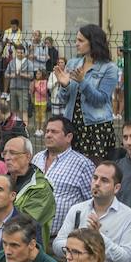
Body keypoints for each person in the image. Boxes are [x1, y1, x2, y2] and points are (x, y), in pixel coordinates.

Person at [58, 161, 131, 262]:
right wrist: (79, 246)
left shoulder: (130, 217)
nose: (97, 183)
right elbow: (57, 245)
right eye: (95, 178)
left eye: (104, 180)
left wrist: (99, 238)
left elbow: (128, 260)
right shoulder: (77, 210)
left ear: (116, 188)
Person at [49, 24, 120, 163]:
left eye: (81, 41)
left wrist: (83, 82)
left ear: (93, 42)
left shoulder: (109, 68)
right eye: (76, 40)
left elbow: (100, 100)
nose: (76, 44)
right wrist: (64, 85)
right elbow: (63, 98)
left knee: (94, 169)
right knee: (71, 167)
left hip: (96, 127)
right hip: (72, 124)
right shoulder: (73, 64)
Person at [36, 115, 95, 246]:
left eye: (54, 132)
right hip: (33, 237)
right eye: (47, 131)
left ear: (69, 137)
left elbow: (91, 203)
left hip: (63, 241)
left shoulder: (83, 165)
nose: (48, 135)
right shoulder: (37, 158)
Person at [2, 135, 57, 252]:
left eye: (12, 153)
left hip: (26, 251)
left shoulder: (41, 188)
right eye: (5, 153)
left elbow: (24, 223)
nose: (7, 157)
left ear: (28, 157)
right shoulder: (1, 181)